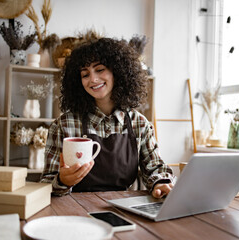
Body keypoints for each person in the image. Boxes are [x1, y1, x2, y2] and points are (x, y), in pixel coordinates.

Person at [40, 37, 175, 198]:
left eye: (100, 69)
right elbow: (46, 184)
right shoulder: (63, 125)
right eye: (85, 74)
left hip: (123, 208)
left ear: (117, 71)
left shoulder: (139, 124)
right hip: (74, 209)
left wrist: (160, 183)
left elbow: (154, 168)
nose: (93, 79)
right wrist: (61, 181)